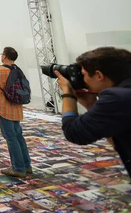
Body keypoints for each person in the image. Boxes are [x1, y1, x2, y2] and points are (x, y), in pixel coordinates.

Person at [55, 47, 131, 178]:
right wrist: (91, 104)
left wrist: (68, 93)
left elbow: (73, 132)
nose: (83, 80)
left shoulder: (116, 97)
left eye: (83, 74)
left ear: (99, 75)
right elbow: (121, 137)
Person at [0, 47, 32, 178]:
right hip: (16, 108)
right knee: (18, 136)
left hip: (4, 108)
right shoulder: (16, 69)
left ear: (4, 56)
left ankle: (18, 168)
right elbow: (4, 77)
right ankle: (26, 165)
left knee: (11, 138)